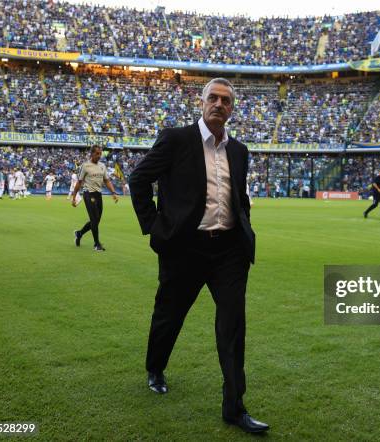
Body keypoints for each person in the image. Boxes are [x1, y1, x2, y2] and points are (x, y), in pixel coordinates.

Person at [128, 78, 268, 434]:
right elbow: (139, 179)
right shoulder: (176, 139)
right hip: (184, 248)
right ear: (201, 102)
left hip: (228, 252)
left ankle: (234, 408)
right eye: (213, 98)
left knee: (233, 326)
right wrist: (154, 226)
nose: (219, 105)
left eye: (226, 101)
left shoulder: (239, 151)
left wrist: (244, 225)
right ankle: (155, 368)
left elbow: (239, 196)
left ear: (232, 109)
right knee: (169, 315)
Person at [71, 145, 119, 251]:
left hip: (98, 194)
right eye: (97, 153)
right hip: (88, 193)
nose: (99, 155)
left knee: (96, 221)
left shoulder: (102, 166)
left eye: (100, 153)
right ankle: (97, 244)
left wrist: (114, 192)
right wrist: (74, 197)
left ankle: (79, 233)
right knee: (94, 219)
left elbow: (107, 180)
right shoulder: (85, 166)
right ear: (92, 153)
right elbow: (79, 182)